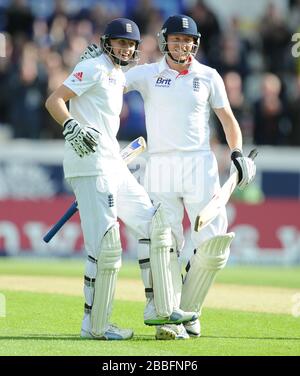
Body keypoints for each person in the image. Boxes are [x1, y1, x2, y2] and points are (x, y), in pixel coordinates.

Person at [45, 18, 197, 341]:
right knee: (107, 247)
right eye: (120, 43)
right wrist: (72, 127)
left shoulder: (117, 74)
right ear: (107, 43)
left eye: (130, 44)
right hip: (89, 165)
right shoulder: (96, 67)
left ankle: (161, 309)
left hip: (112, 162)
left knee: (157, 224)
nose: (126, 48)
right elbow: (55, 100)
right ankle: (95, 327)